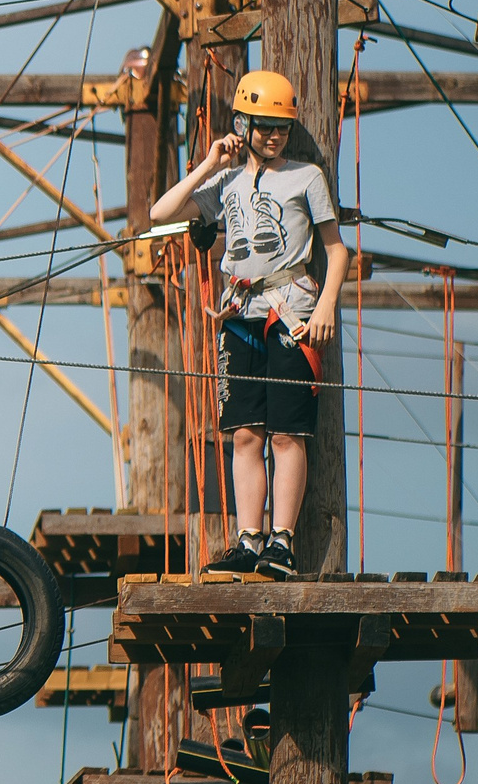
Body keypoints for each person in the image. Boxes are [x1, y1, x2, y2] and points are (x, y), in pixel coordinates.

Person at [149, 69, 349, 579]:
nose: (273, 135)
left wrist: (326, 305)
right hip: (239, 312)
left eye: (280, 126)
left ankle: (282, 541)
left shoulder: (306, 177)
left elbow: (336, 250)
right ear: (244, 123)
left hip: (291, 311)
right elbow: (160, 212)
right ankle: (249, 539)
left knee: (287, 433)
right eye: (263, 126)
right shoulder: (227, 181)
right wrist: (210, 163)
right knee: (244, 433)